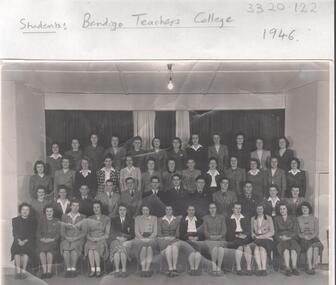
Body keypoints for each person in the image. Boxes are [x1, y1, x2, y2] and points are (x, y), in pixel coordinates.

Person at [60, 199, 86, 278]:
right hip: (66, 238)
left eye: (77, 206)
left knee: (74, 249)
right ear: (70, 206)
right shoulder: (64, 216)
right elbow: (62, 231)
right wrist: (67, 238)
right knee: (66, 250)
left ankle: (73, 269)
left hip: (78, 239)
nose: (75, 207)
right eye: (73, 205)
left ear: (79, 207)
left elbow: (84, 232)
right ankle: (68, 269)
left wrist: (76, 238)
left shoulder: (83, 217)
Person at [85, 200, 111, 277]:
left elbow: (107, 234)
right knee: (90, 249)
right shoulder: (89, 218)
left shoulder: (106, 218)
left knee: (96, 249)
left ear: (101, 208)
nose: (96, 209)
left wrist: (98, 239)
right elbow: (87, 233)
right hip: (91, 239)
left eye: (97, 207)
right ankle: (93, 270)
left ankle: (98, 269)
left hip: (101, 239)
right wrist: (91, 238)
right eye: (94, 207)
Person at [274, 203, 301, 276]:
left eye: (284, 209)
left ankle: (294, 268)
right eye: (281, 209)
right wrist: (280, 237)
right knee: (285, 249)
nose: (282, 210)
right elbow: (275, 232)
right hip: (281, 238)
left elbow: (296, 231)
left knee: (293, 249)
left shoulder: (293, 218)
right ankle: (288, 268)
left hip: (291, 237)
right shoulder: (276, 218)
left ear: (287, 209)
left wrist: (289, 237)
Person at [11, 203, 37, 280]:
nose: (25, 211)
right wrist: (19, 240)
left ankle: (24, 271)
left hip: (28, 241)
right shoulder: (15, 220)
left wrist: (25, 241)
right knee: (16, 251)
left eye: (27, 210)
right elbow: (14, 232)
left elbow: (32, 233)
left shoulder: (33, 221)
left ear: (29, 211)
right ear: (20, 211)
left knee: (26, 251)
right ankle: (18, 272)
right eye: (23, 209)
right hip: (18, 241)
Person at [226, 202, 253, 275]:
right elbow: (228, 232)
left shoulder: (245, 218)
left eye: (239, 208)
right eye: (236, 208)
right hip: (234, 237)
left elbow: (249, 230)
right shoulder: (229, 218)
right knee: (241, 247)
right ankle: (238, 268)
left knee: (246, 246)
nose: (238, 210)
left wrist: (244, 235)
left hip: (244, 236)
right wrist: (237, 236)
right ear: (233, 209)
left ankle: (248, 267)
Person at [297, 202, 323, 275]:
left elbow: (316, 231)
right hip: (303, 238)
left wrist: (310, 237)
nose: (304, 209)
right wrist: (304, 236)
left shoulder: (314, 219)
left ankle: (313, 266)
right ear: (301, 210)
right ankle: (310, 266)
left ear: (309, 209)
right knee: (310, 247)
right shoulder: (298, 219)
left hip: (313, 237)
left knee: (316, 247)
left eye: (306, 208)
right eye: (303, 208)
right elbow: (298, 232)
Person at [109, 204, 135, 278]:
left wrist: (126, 238)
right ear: (118, 211)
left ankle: (123, 270)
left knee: (122, 250)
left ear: (126, 211)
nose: (122, 211)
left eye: (124, 210)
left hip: (127, 241)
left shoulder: (131, 220)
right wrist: (118, 238)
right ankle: (117, 271)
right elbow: (111, 232)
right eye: (120, 210)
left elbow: (133, 234)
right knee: (117, 251)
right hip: (116, 240)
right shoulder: (113, 220)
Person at [36, 205, 61, 279]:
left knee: (50, 252)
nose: (49, 213)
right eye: (47, 211)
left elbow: (58, 234)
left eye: (50, 211)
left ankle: (49, 271)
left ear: (53, 212)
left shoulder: (57, 221)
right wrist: (42, 239)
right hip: (42, 242)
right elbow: (37, 232)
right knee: (42, 253)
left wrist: (52, 239)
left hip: (52, 242)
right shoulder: (41, 220)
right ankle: (44, 271)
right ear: (45, 212)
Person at [133, 205, 158, 277]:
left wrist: (149, 238)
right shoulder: (137, 218)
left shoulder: (154, 218)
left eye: (147, 210)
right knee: (143, 248)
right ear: (141, 211)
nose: (145, 212)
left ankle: (147, 269)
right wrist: (142, 239)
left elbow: (155, 232)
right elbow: (136, 232)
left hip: (151, 238)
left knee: (149, 247)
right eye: (143, 210)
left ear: (149, 210)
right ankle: (143, 269)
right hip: (139, 238)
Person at [251, 204, 275, 276]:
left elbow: (272, 232)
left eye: (261, 209)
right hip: (257, 239)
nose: (259, 211)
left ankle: (264, 269)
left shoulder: (268, 218)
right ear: (256, 210)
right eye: (258, 209)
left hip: (267, 238)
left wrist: (262, 237)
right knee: (256, 248)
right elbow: (252, 232)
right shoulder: (253, 219)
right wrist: (254, 235)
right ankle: (260, 269)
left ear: (263, 209)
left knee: (261, 248)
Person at [203, 203, 227, 276]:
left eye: (214, 208)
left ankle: (219, 267)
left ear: (216, 209)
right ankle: (214, 267)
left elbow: (224, 230)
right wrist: (211, 237)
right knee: (214, 248)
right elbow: (205, 231)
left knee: (221, 249)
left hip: (221, 239)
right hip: (210, 239)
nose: (212, 209)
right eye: (211, 208)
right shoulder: (205, 218)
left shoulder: (222, 217)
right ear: (209, 209)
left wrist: (219, 236)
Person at [179, 205, 203, 276]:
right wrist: (188, 238)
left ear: (194, 211)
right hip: (187, 239)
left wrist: (197, 238)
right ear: (187, 211)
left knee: (197, 249)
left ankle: (196, 268)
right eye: (190, 210)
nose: (191, 211)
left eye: (193, 210)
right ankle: (192, 269)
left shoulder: (199, 220)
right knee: (192, 250)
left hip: (196, 239)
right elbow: (181, 234)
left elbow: (202, 233)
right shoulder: (183, 220)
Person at [157, 205, 181, 277]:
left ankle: (174, 268)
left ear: (172, 210)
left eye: (170, 209)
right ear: (165, 210)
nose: (168, 211)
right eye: (167, 209)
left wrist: (173, 237)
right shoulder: (160, 220)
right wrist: (166, 238)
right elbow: (159, 233)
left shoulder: (176, 219)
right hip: (163, 239)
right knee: (169, 248)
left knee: (174, 247)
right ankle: (170, 268)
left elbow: (178, 233)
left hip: (174, 239)